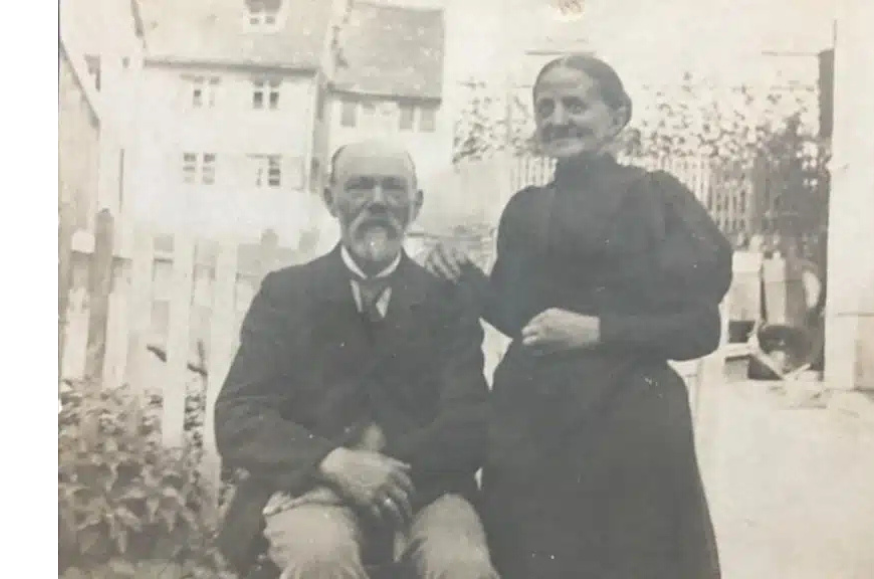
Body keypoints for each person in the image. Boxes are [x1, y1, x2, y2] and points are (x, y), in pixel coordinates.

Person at [425, 55, 732, 579]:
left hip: (629, 421)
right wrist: (461, 276)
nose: (557, 119)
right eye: (545, 107)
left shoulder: (657, 199)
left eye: (575, 105)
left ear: (617, 117)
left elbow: (700, 328)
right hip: (532, 423)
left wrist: (597, 331)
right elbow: (522, 319)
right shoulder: (525, 209)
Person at [214, 140, 499, 579]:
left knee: (463, 566)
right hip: (310, 490)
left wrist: (381, 474)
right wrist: (332, 464)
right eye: (360, 187)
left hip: (427, 492)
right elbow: (238, 416)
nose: (378, 203)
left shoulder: (447, 302)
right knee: (320, 559)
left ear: (415, 203)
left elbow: (470, 421)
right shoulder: (288, 295)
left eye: (394, 189)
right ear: (331, 200)